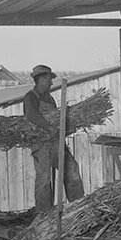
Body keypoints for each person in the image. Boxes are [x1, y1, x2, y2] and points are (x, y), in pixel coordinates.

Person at [22, 64, 85, 211]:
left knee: (72, 168)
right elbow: (32, 115)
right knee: (44, 178)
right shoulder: (30, 97)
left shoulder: (50, 99)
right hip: (41, 144)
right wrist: (48, 127)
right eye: (49, 79)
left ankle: (77, 207)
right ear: (41, 79)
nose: (51, 83)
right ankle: (44, 214)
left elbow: (58, 122)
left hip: (56, 143)